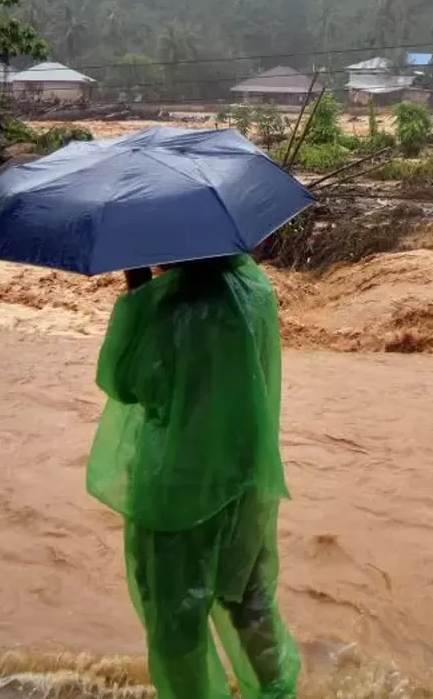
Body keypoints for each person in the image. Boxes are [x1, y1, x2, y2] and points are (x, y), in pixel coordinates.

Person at [86, 255, 301, 699]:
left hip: (175, 485)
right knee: (247, 595)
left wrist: (139, 291)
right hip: (244, 475)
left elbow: (125, 381)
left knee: (174, 615)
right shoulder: (253, 287)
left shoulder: (172, 307)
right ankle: (276, 690)